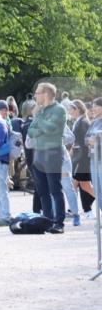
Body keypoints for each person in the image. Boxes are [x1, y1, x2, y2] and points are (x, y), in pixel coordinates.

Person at [27, 82, 68, 233]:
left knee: (55, 190)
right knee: (42, 191)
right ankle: (47, 221)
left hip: (53, 152)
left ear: (46, 94)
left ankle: (59, 224)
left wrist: (38, 119)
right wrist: (39, 122)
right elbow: (31, 131)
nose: (35, 95)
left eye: (37, 93)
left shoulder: (59, 109)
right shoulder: (41, 111)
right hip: (39, 153)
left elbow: (51, 129)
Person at [70, 100, 95, 219]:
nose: (69, 111)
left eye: (71, 109)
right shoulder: (78, 122)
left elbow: (86, 142)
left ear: (77, 109)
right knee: (84, 186)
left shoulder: (83, 122)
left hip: (82, 159)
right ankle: (80, 210)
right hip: (79, 158)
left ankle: (72, 210)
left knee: (73, 184)